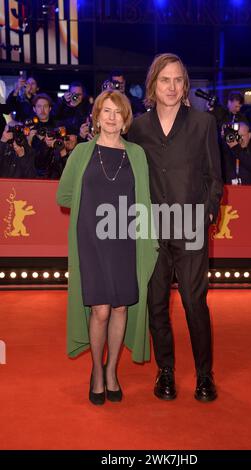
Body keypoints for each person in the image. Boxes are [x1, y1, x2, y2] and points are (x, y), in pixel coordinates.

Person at [128, 53, 223, 402]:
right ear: (153, 84)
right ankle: (164, 371)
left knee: (194, 303)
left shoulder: (203, 123)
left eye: (178, 80)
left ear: (185, 86)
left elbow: (215, 177)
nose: (171, 86)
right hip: (151, 232)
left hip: (191, 228)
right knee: (156, 305)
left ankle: (204, 375)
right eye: (165, 79)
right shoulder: (137, 127)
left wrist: (209, 213)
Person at [56, 90, 158, 405]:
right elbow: (64, 197)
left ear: (126, 119)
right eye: (106, 111)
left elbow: (145, 199)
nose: (112, 117)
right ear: (97, 116)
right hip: (92, 242)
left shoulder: (137, 155)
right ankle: (96, 372)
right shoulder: (81, 153)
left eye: (118, 112)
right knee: (99, 309)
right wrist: (90, 218)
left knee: (121, 306)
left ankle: (112, 370)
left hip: (126, 240)